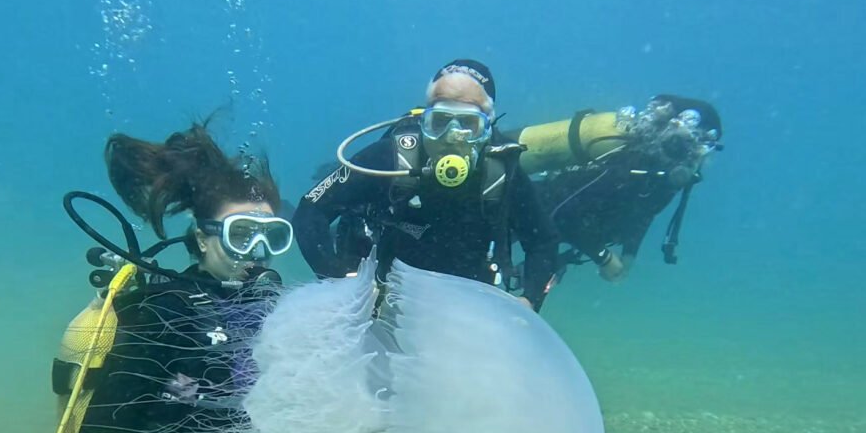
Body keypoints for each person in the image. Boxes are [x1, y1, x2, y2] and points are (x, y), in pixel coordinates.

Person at [73, 120, 290, 433]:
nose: (256, 254)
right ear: (201, 237)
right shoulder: (163, 311)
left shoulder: (270, 307)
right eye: (241, 235)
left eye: (270, 237)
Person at [292, 59, 559, 311]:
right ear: (424, 121)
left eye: (469, 124)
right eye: (440, 122)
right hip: (383, 301)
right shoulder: (391, 156)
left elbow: (543, 241)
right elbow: (311, 209)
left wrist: (530, 299)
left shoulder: (502, 171)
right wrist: (337, 277)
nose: (452, 137)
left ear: (488, 128)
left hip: (469, 307)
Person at [535, 94, 723, 283]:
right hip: (526, 213)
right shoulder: (629, 165)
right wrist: (604, 258)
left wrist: (629, 254)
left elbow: (644, 214)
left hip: (542, 230)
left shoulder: (661, 179)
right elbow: (562, 212)